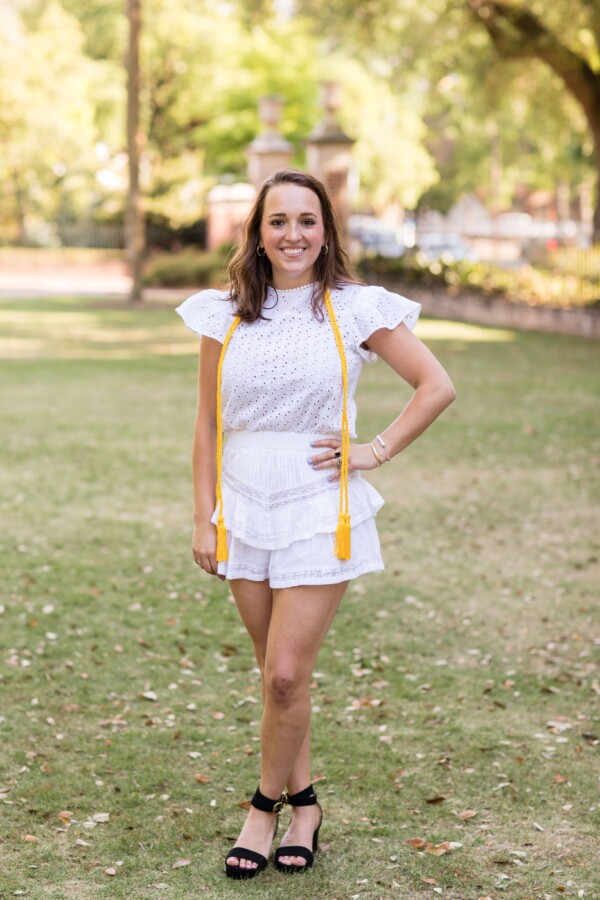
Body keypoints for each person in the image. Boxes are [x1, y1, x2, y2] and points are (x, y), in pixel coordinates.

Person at [175, 168, 456, 880]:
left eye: (307, 220)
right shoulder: (226, 311)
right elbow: (208, 425)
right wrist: (204, 517)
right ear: (258, 233)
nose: (293, 234)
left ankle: (262, 808)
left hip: (317, 508)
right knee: (277, 677)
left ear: (325, 230)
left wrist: (372, 451)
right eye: (279, 221)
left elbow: (437, 386)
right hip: (241, 506)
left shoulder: (355, 309)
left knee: (287, 672)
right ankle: (307, 804)